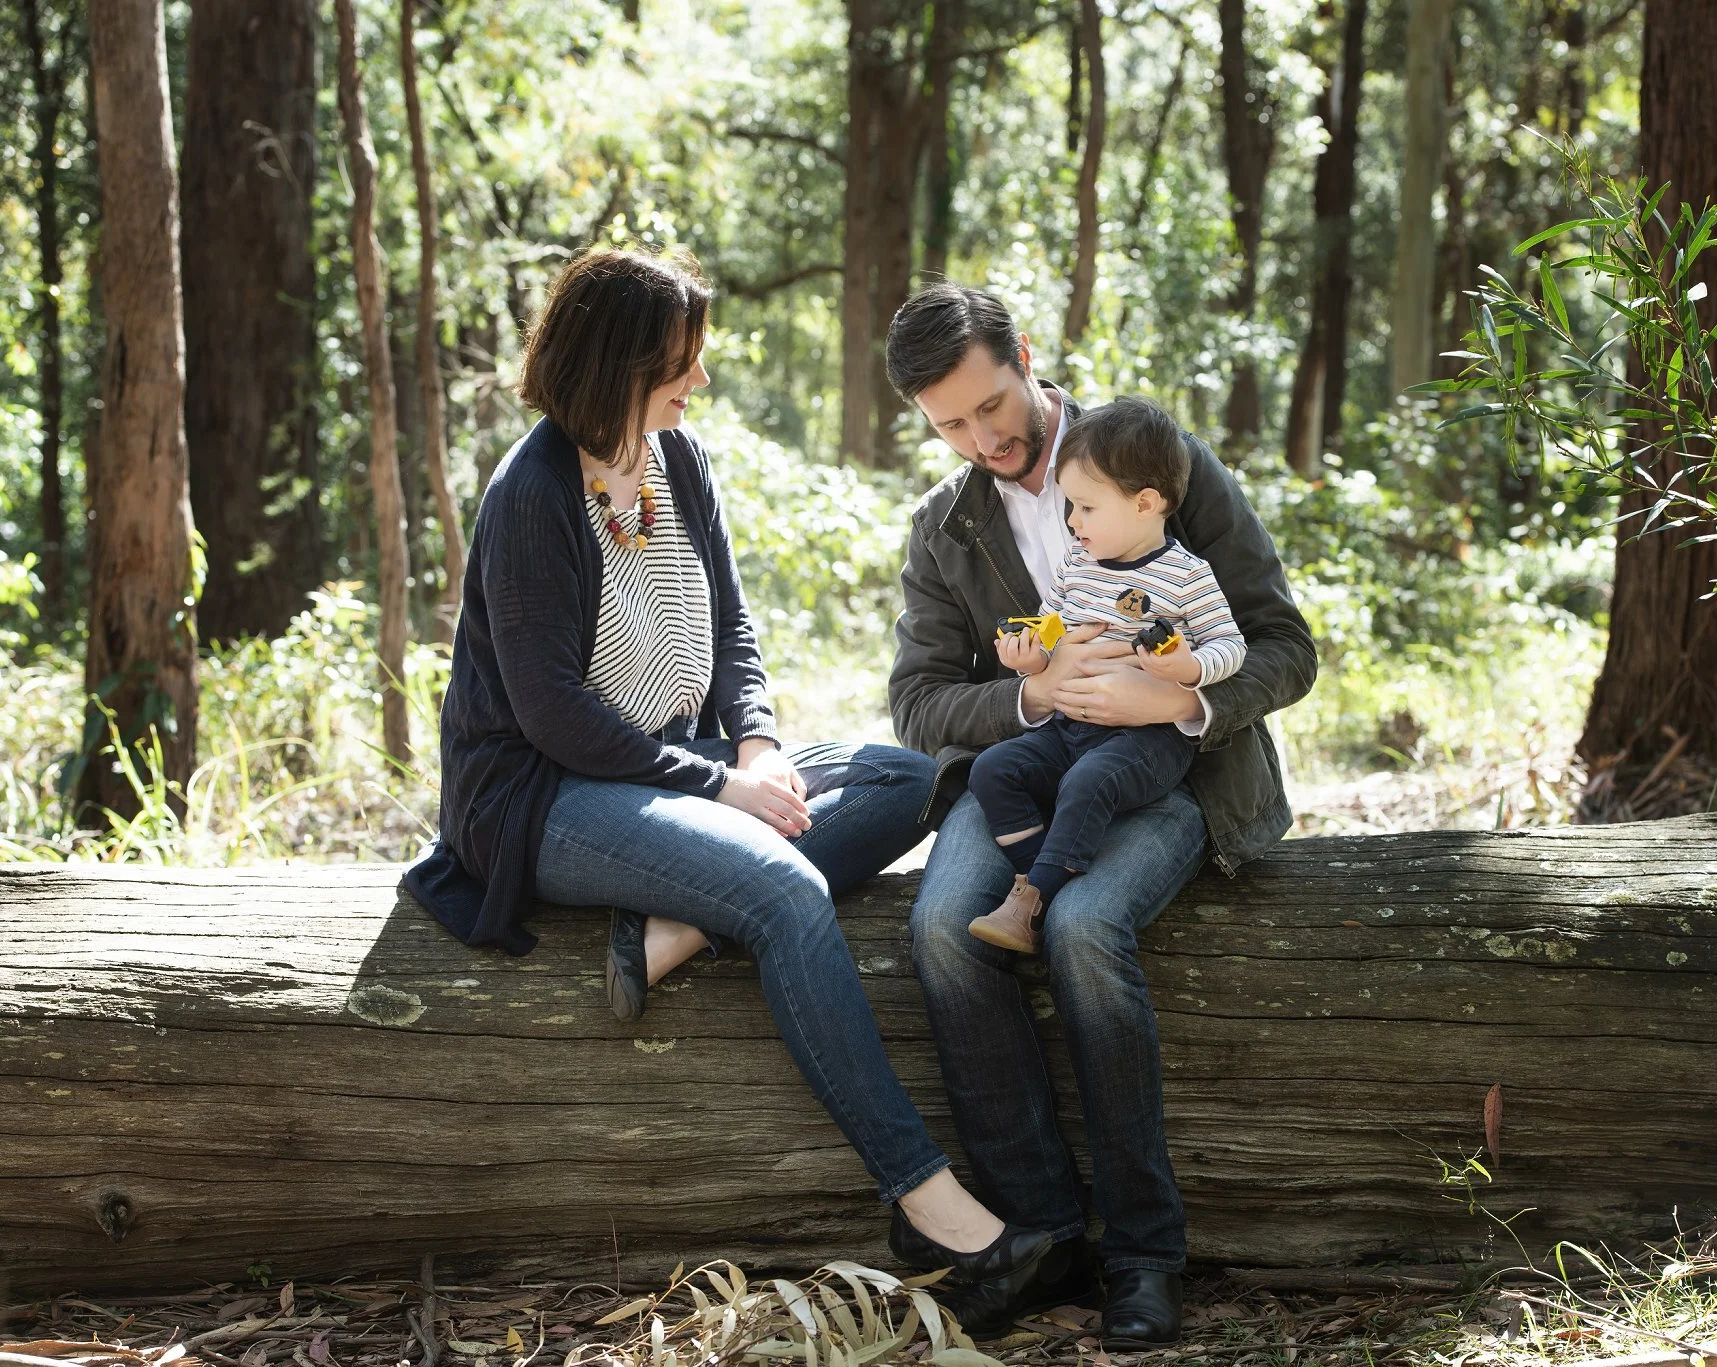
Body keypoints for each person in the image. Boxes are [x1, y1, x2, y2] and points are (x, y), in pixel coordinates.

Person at [402, 249, 1058, 1308]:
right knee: (786, 891)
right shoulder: (531, 492)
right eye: (680, 362)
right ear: (616, 363)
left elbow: (736, 632)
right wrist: (720, 794)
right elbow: (552, 713)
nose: (697, 381)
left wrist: (753, 747)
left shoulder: (678, 462)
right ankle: (935, 1210)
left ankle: (667, 933)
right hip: (538, 793)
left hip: (675, 763)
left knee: (902, 776)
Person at [885, 285, 1318, 1345]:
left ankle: (1141, 1253)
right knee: (942, 929)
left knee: (1082, 929)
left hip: (1168, 771)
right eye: (947, 423)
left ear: (1025, 357)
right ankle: (1037, 1231)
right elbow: (917, 703)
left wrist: (1179, 698)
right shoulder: (943, 529)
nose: (980, 437)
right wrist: (1032, 694)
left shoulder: (1153, 456)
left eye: (991, 404)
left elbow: (1282, 643)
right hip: (1029, 767)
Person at [966, 398, 1247, 952]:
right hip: (1068, 726)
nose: (1072, 521)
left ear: (1145, 503)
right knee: (993, 770)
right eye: (1070, 506)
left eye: (1086, 508)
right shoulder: (1078, 565)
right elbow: (1052, 628)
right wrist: (1032, 659)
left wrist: (1185, 670)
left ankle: (1030, 902)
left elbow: (1231, 646)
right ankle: (1035, 874)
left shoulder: (1188, 575)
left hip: (1147, 740)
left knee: (1086, 783)